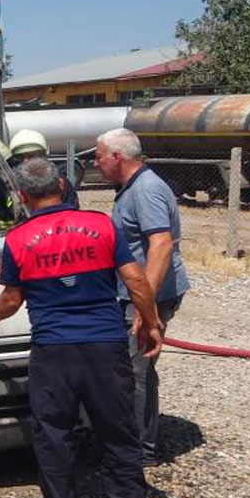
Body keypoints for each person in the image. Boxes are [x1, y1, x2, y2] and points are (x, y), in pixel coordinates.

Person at [0, 158, 161, 498]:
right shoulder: (101, 225)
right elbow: (135, 278)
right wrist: (150, 322)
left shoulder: (19, 239)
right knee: (118, 428)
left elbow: (11, 299)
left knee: (54, 430)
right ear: (61, 185)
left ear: (22, 195)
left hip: (54, 349)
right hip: (105, 344)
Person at [95, 127, 190, 466]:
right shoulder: (131, 188)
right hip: (137, 293)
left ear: (117, 157)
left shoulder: (146, 190)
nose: (97, 163)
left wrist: (144, 305)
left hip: (150, 295)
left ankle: (139, 452)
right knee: (131, 367)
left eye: (99, 157)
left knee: (136, 369)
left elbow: (161, 245)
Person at [9, 129, 81, 208]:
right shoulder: (12, 183)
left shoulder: (59, 182)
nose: (26, 161)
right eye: (20, 157)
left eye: (32, 155)